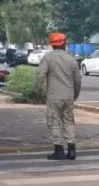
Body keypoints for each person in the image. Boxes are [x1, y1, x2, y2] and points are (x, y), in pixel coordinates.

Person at [34, 32, 82, 160]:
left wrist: (37, 91)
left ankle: (59, 150)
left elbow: (40, 75)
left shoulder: (48, 58)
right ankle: (71, 150)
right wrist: (75, 94)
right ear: (64, 44)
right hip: (69, 95)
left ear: (52, 45)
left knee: (54, 122)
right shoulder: (71, 59)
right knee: (69, 121)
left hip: (54, 96)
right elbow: (77, 80)